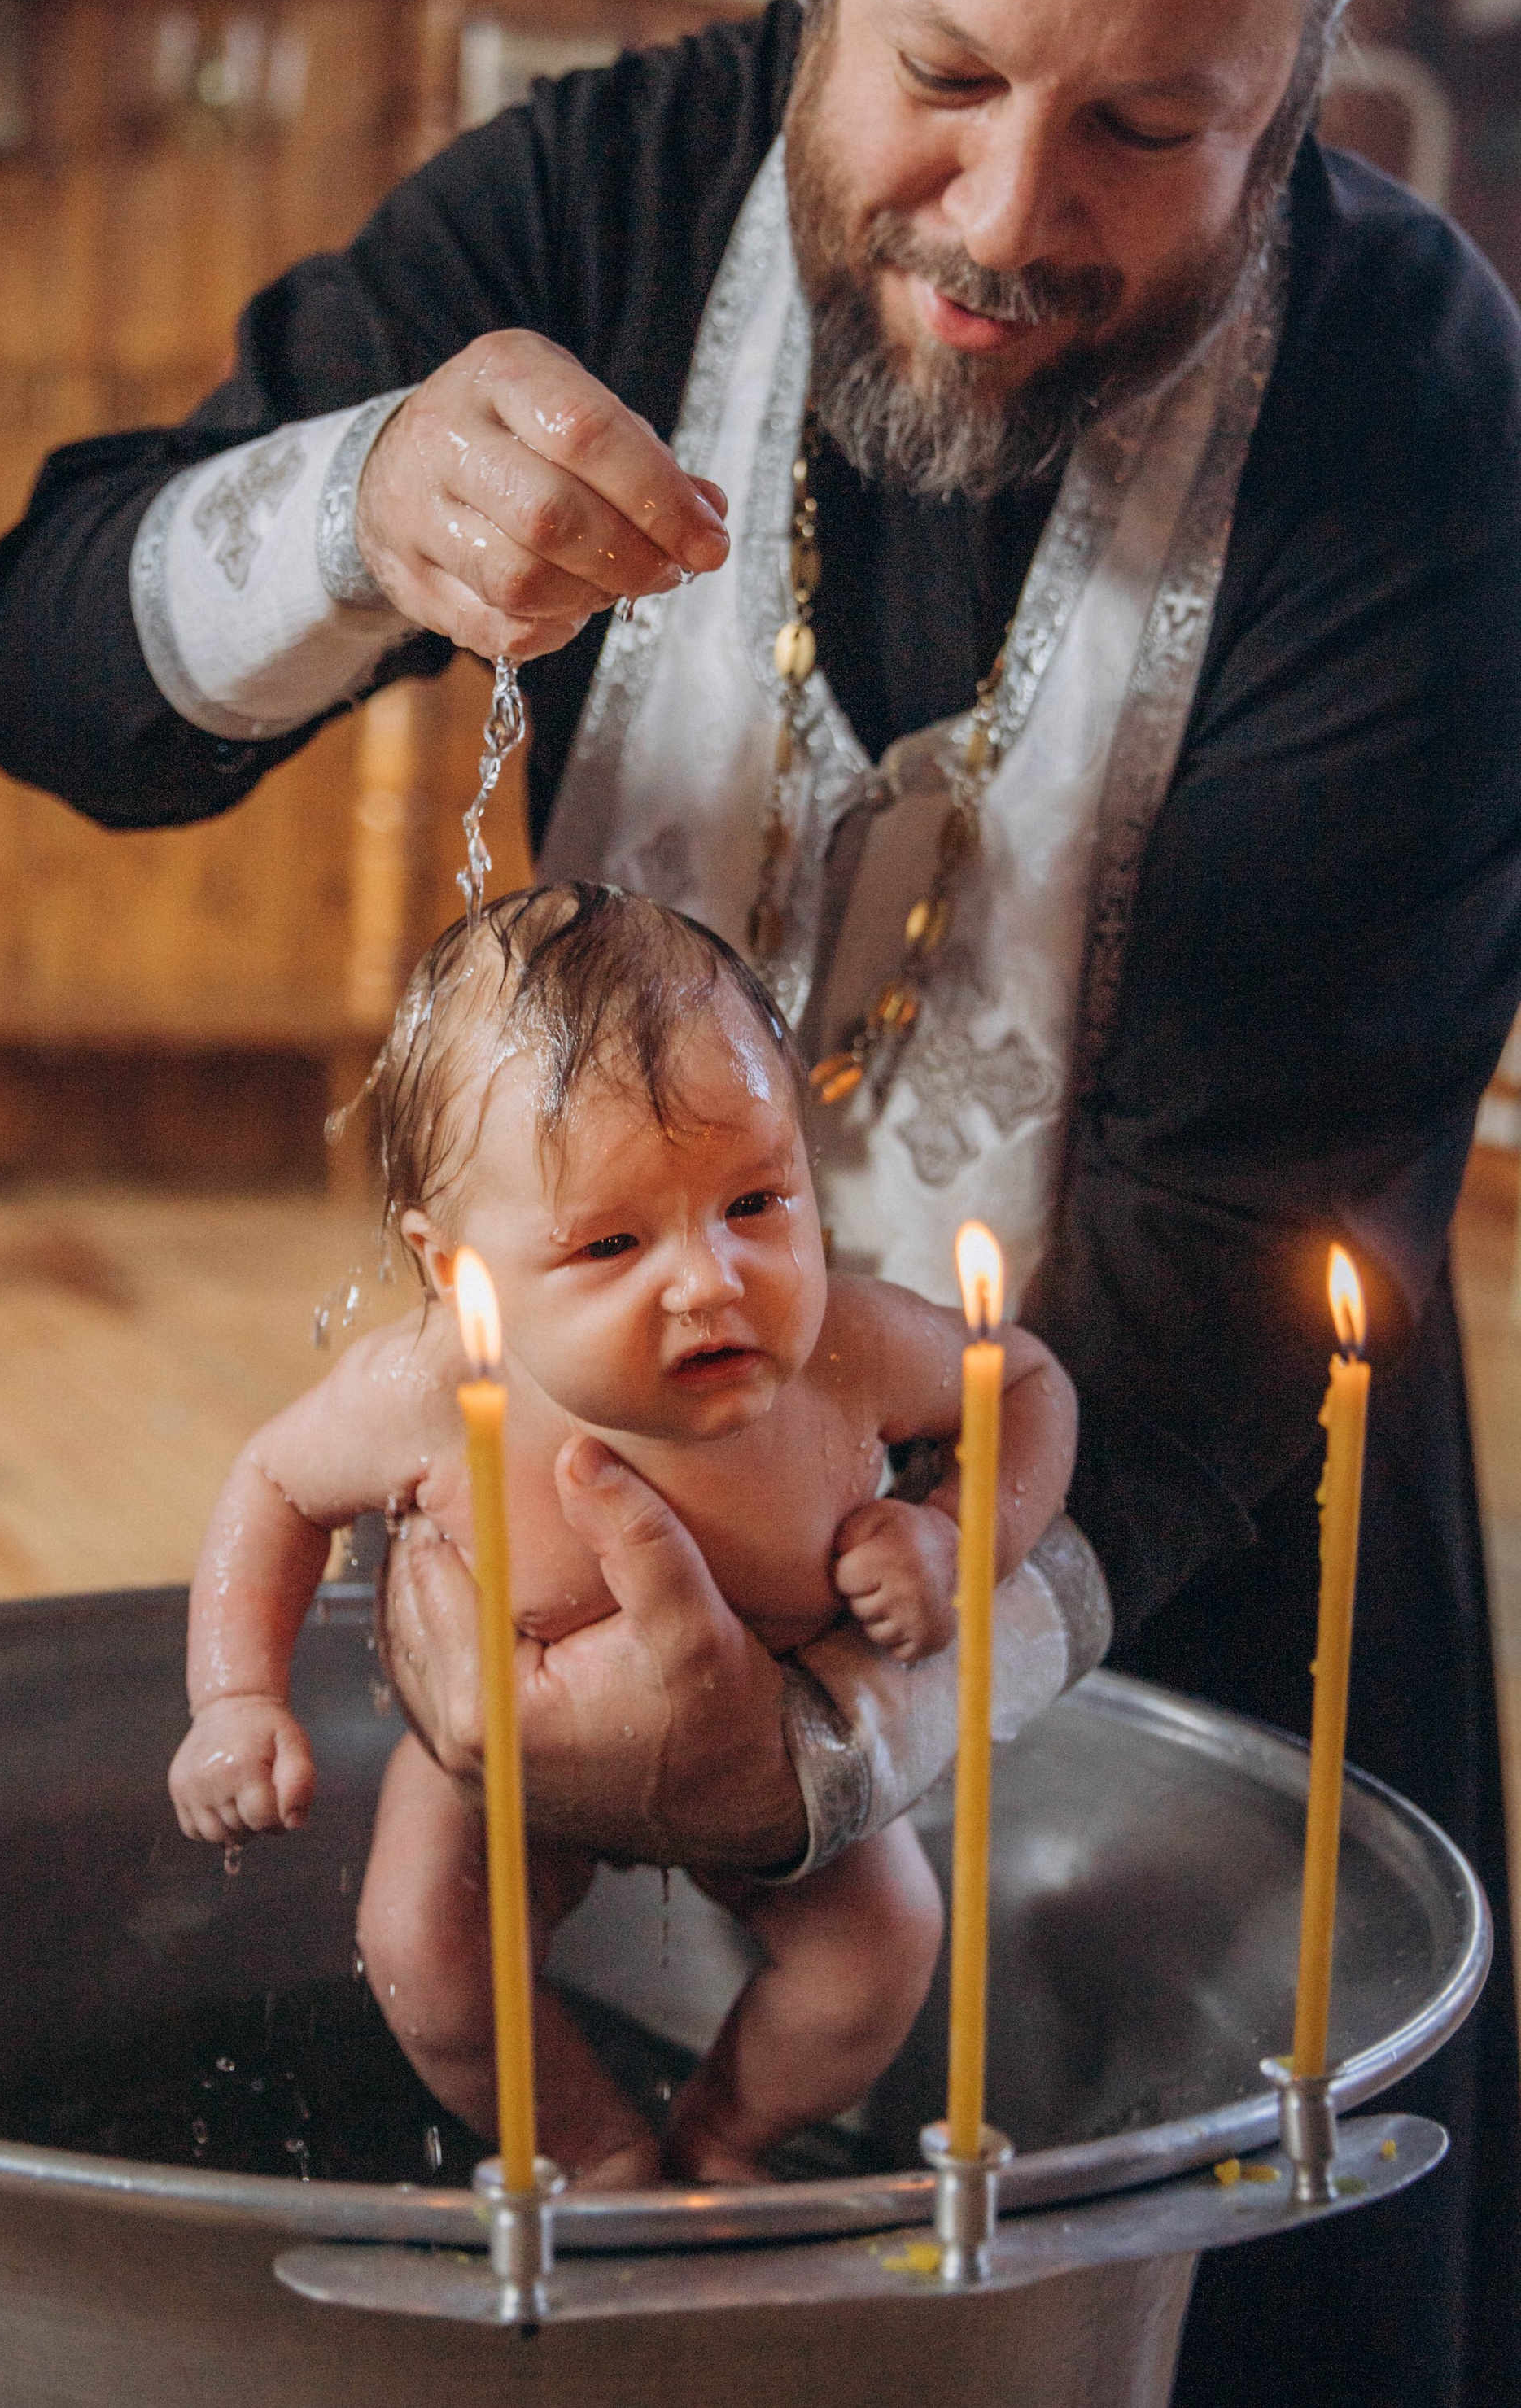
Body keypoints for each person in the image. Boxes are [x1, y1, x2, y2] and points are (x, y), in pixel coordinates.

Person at [0, 0, 1521, 2406]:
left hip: (1154, 1633)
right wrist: (354, 511)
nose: (1008, 216)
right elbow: (49, 671)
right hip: (541, 1596)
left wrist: (834, 1733)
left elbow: (1195, 1287)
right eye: (937, 72)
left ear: (1299, 91)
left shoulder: (1414, 406)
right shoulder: (608, 186)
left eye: (1151, 127)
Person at [168, 884, 1076, 2183]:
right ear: (448, 1266)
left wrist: (955, 1536)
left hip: (788, 1760)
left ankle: (724, 2139)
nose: (711, 1278)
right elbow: (271, 1484)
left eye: (758, 1202)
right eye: (610, 1241)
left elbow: (1031, 1386)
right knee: (425, 1948)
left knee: (882, 1951)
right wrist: (235, 1695)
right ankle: (593, 2148)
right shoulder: (421, 1386)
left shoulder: (853, 1353)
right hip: (500, 1778)